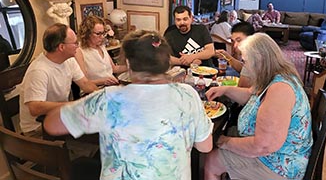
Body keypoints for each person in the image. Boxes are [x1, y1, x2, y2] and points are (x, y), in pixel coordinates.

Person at [44, 30, 213, 179]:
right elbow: (205, 146)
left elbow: (51, 124)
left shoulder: (110, 98)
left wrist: (85, 105)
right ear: (166, 62)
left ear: (130, 65)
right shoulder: (187, 94)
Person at [204, 33, 312, 180]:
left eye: (246, 61)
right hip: (273, 155)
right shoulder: (275, 75)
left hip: (278, 165)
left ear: (259, 60)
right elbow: (250, 95)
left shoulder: (280, 90)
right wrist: (225, 90)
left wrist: (223, 141)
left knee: (211, 160)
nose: (245, 66)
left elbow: (263, 146)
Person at [19, 23, 98, 137]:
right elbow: (35, 108)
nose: (78, 46)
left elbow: (85, 84)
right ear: (61, 47)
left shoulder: (68, 60)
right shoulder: (39, 70)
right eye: (75, 43)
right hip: (37, 129)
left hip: (57, 116)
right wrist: (74, 105)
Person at [75, 16, 127, 86]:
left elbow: (114, 68)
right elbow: (84, 82)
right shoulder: (80, 51)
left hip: (111, 86)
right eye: (98, 34)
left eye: (103, 33)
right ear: (87, 34)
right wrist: (102, 81)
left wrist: (132, 66)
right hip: (95, 89)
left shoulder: (101, 46)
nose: (102, 37)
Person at [215, 22, 255, 87]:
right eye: (233, 41)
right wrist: (227, 56)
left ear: (251, 38)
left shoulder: (255, 55)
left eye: (239, 40)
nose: (235, 45)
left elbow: (242, 88)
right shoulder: (250, 53)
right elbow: (243, 69)